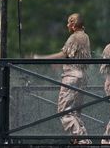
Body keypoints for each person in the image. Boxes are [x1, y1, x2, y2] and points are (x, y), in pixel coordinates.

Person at [33, 13, 91, 145]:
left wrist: (40, 58)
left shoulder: (75, 37)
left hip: (72, 77)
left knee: (64, 111)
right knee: (75, 113)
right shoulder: (86, 37)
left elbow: (63, 54)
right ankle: (81, 140)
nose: (67, 25)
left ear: (73, 23)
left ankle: (82, 141)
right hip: (82, 77)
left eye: (69, 23)